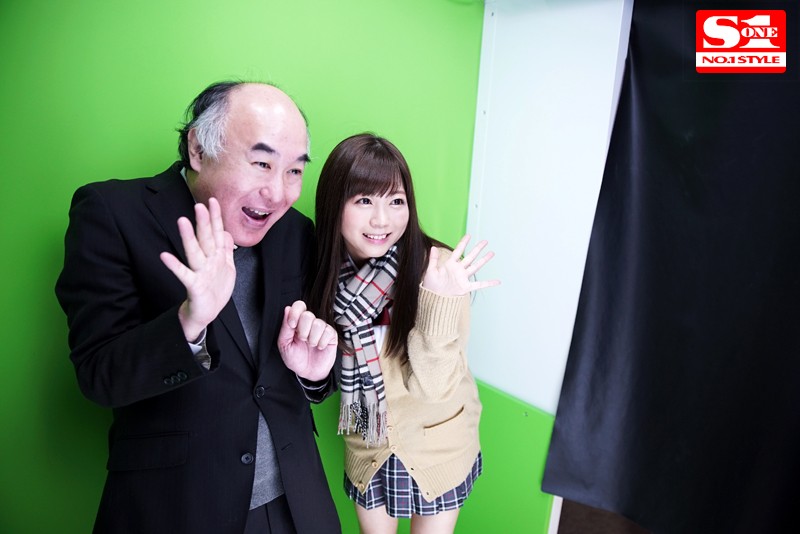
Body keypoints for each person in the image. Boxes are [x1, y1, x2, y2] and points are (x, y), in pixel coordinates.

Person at [55, 81, 341, 534]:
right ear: (198, 149)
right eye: (262, 163)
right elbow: (98, 376)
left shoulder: (295, 232)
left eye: (294, 170)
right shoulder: (112, 213)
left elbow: (302, 371)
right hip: (175, 508)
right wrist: (190, 322)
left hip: (295, 505)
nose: (278, 192)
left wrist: (314, 375)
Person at [309, 133, 499, 533]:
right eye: (364, 200)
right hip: (368, 446)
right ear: (334, 204)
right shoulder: (322, 276)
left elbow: (435, 385)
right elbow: (321, 381)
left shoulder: (440, 271)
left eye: (396, 201)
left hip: (436, 447)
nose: (383, 220)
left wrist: (438, 304)